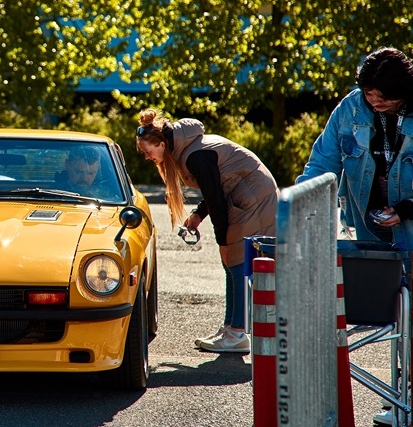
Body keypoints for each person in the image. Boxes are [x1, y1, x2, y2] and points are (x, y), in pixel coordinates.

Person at [295, 47, 413, 426]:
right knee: (395, 316)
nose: (374, 101)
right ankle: (400, 398)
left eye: (383, 97)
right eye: (368, 94)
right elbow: (322, 163)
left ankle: (406, 397)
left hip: (410, 222)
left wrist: (406, 208)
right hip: (370, 229)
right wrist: (299, 208)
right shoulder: (350, 108)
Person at [136, 108, 279, 353]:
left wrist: (222, 238)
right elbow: (215, 190)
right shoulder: (188, 149)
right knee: (231, 263)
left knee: (235, 261)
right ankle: (231, 328)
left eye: (148, 152)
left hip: (254, 200)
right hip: (245, 197)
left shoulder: (194, 156)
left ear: (161, 144)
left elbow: (216, 198)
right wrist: (198, 215)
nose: (147, 158)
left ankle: (236, 333)